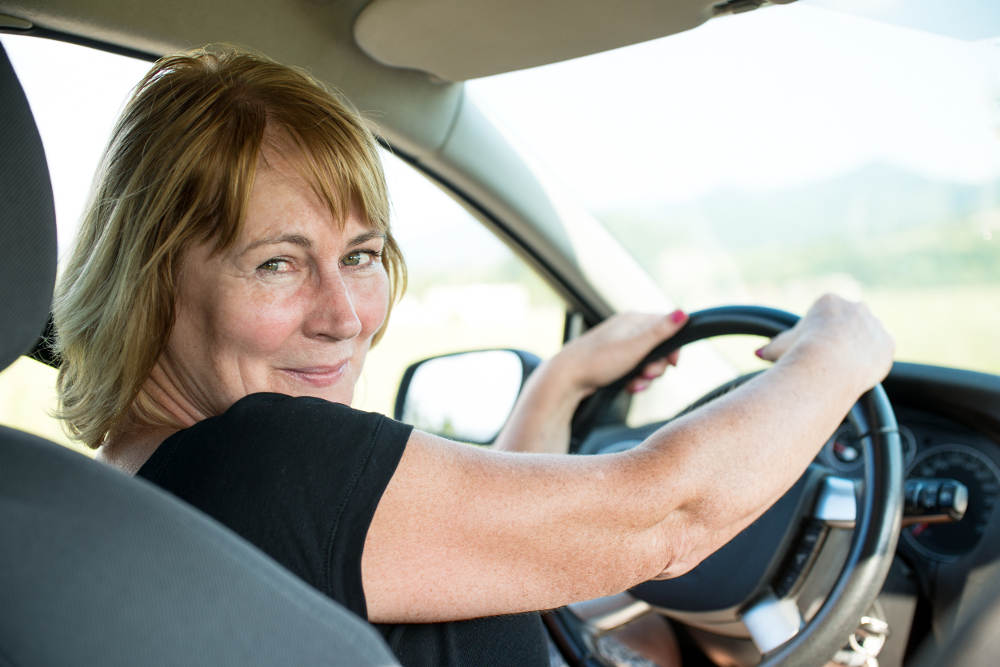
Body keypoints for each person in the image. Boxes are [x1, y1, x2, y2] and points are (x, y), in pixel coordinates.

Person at [52, 46, 894, 667]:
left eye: (361, 255)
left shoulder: (123, 492)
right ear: (153, 280)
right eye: (277, 262)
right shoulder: (264, 457)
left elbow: (476, 560)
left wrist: (556, 387)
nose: (345, 316)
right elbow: (664, 518)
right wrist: (835, 350)